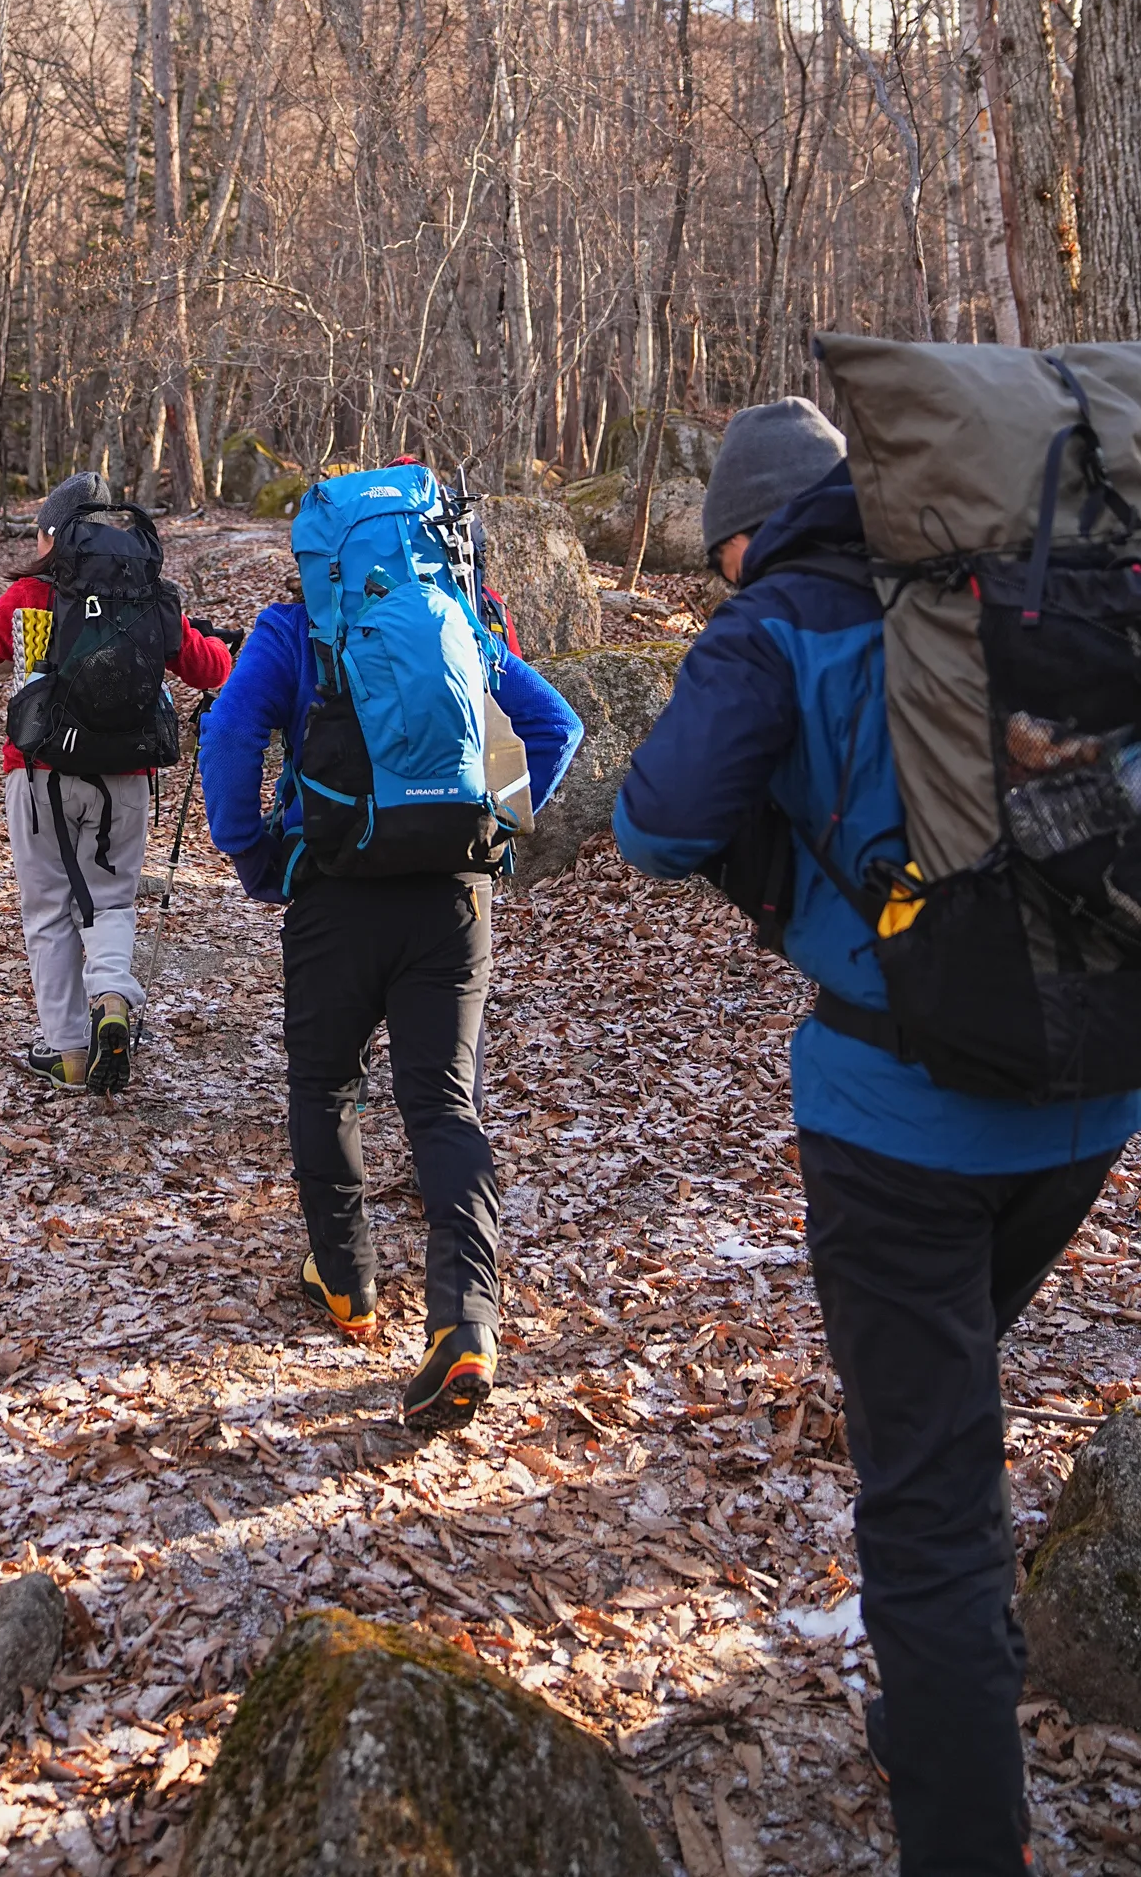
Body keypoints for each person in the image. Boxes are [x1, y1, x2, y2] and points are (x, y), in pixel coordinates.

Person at [612, 395, 1141, 1877]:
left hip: (901, 1117)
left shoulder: (775, 618)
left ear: (742, 529)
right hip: (1092, 1091)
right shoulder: (1013, 580)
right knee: (949, 1404)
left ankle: (963, 1824)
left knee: (931, 1503)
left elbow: (655, 822)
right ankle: (936, 1713)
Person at [199, 497, 582, 1428]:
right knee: (443, 1103)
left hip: (334, 889)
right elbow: (556, 728)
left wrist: (259, 857)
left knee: (327, 1084)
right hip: (454, 894)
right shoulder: (461, 619)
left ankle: (350, 1285)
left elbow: (229, 739)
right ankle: (466, 1323)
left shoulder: (294, 632)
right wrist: (496, 820)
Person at [0, 473, 233, 1094]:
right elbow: (211, 667)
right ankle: (110, 997)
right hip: (126, 779)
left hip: (40, 776)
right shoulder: (150, 593)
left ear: (55, 533)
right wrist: (203, 635)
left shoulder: (31, 595)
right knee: (110, 901)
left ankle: (67, 1049)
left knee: (49, 911)